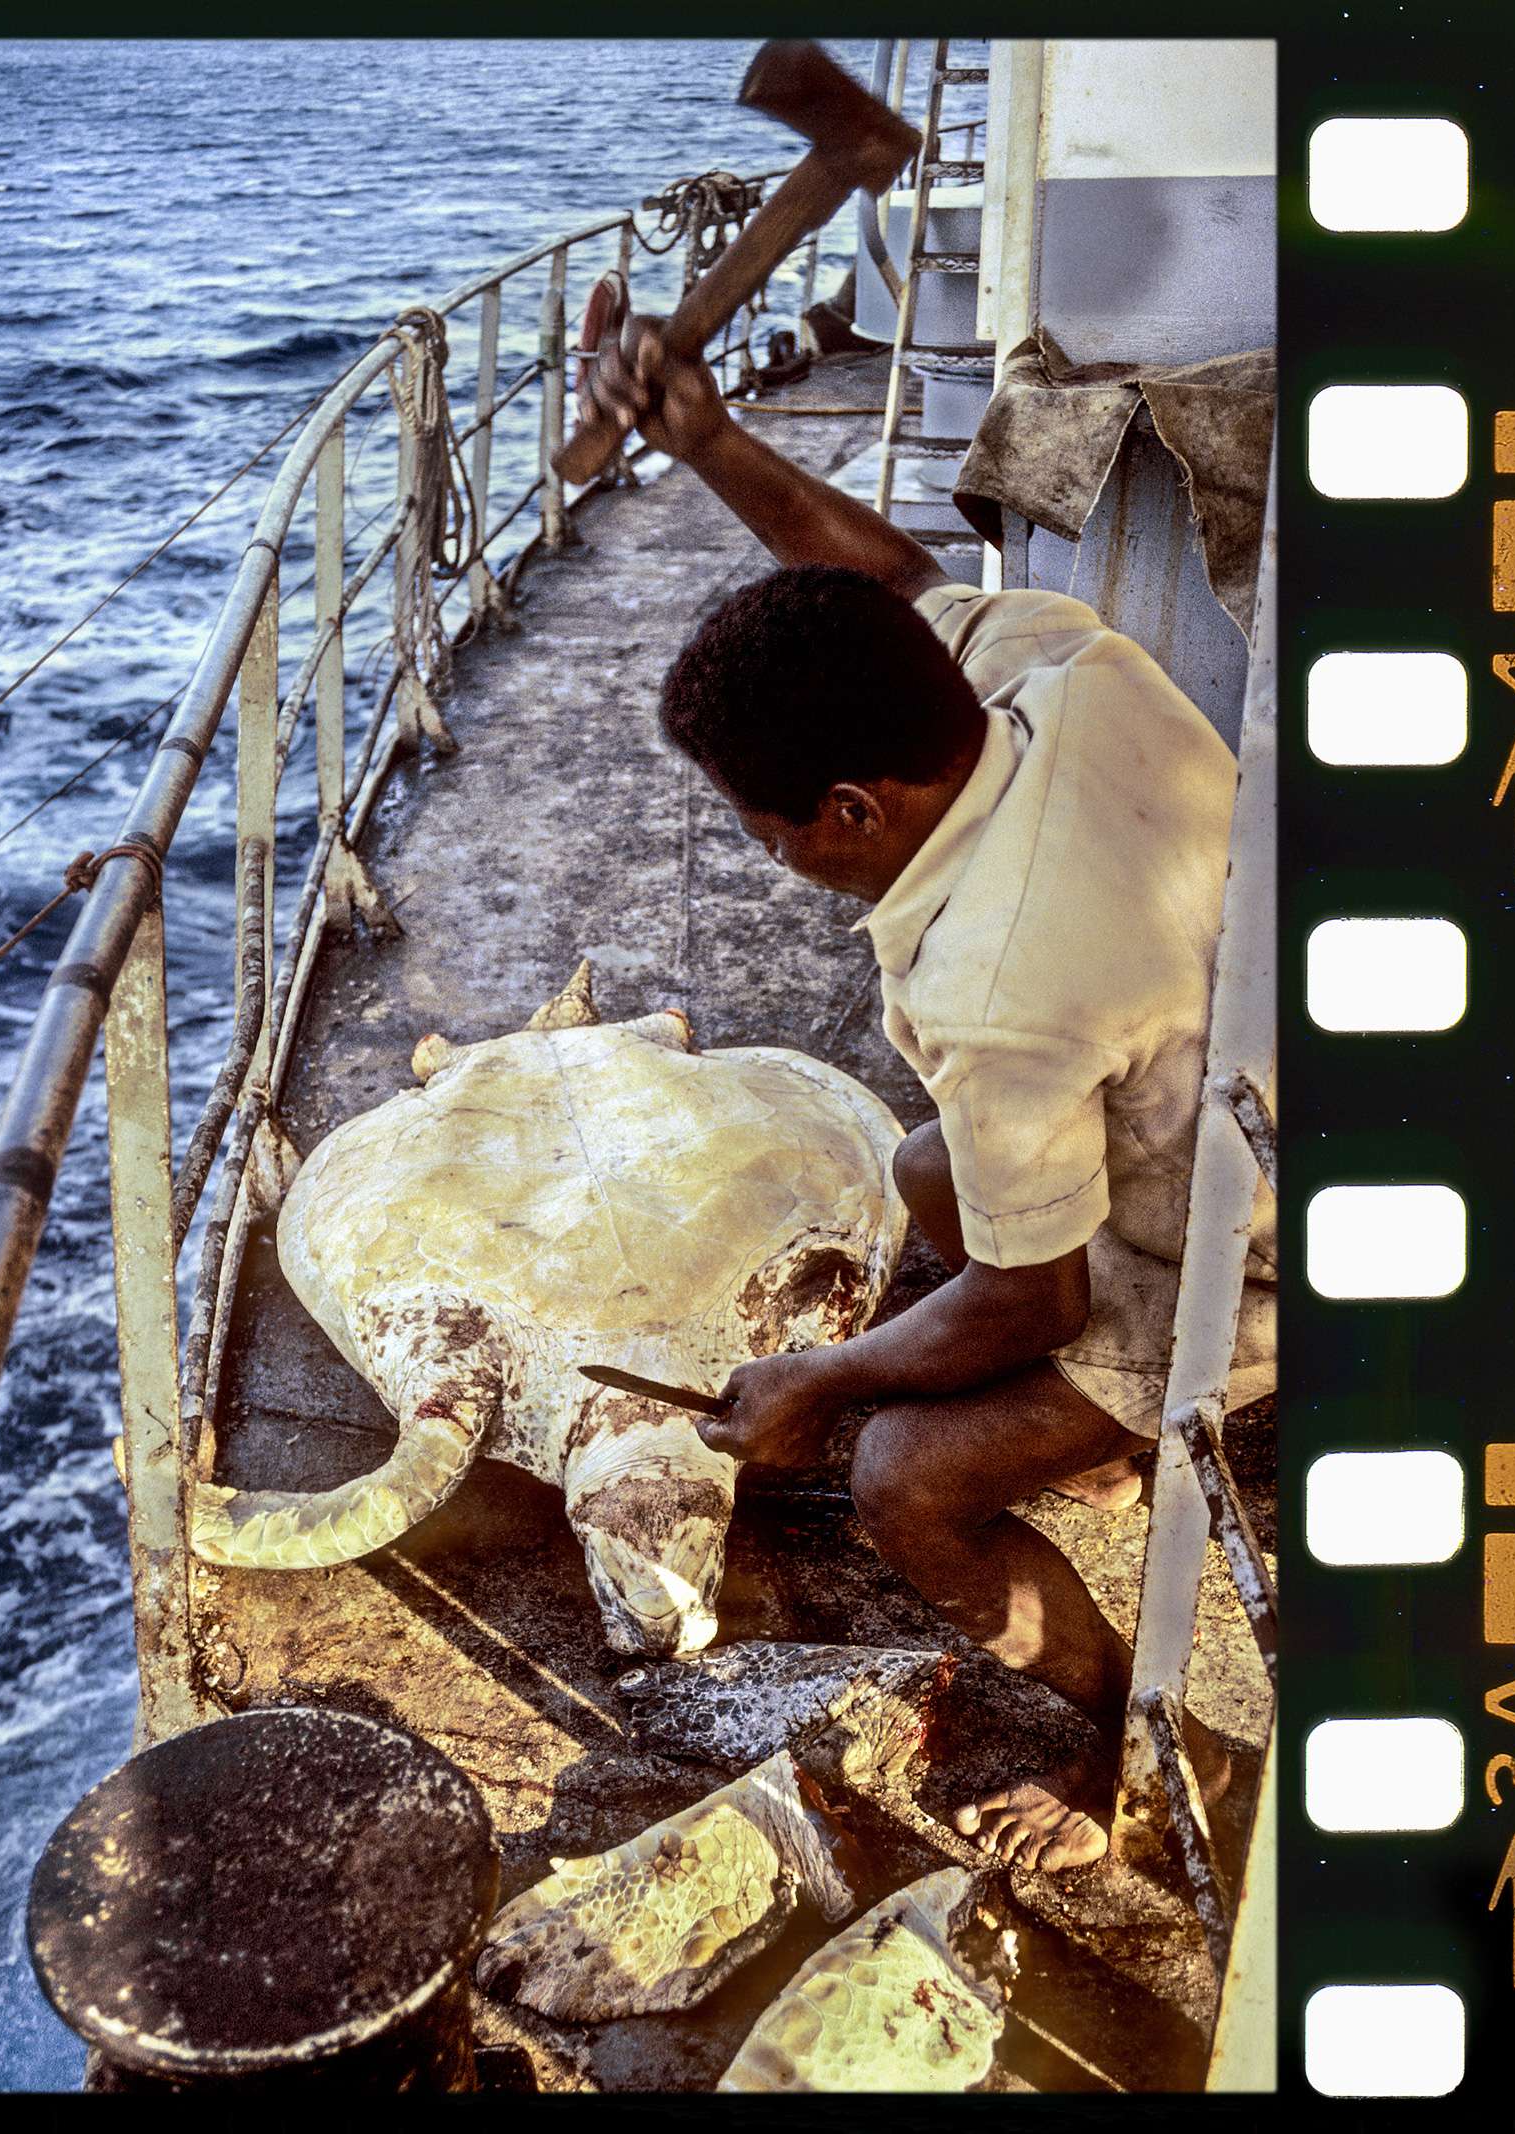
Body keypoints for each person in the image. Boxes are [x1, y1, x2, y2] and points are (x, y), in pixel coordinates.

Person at [579, 313, 1275, 1873]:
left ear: (850, 807)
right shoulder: (1066, 672)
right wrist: (705, 438)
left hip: (1251, 1252)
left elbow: (1029, 1297)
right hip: (1227, 1101)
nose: (777, 859)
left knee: (906, 1480)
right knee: (919, 1173)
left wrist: (826, 1388)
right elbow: (889, 592)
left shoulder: (999, 980)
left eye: (772, 832)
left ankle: (1122, 1721)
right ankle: (1087, 1435)